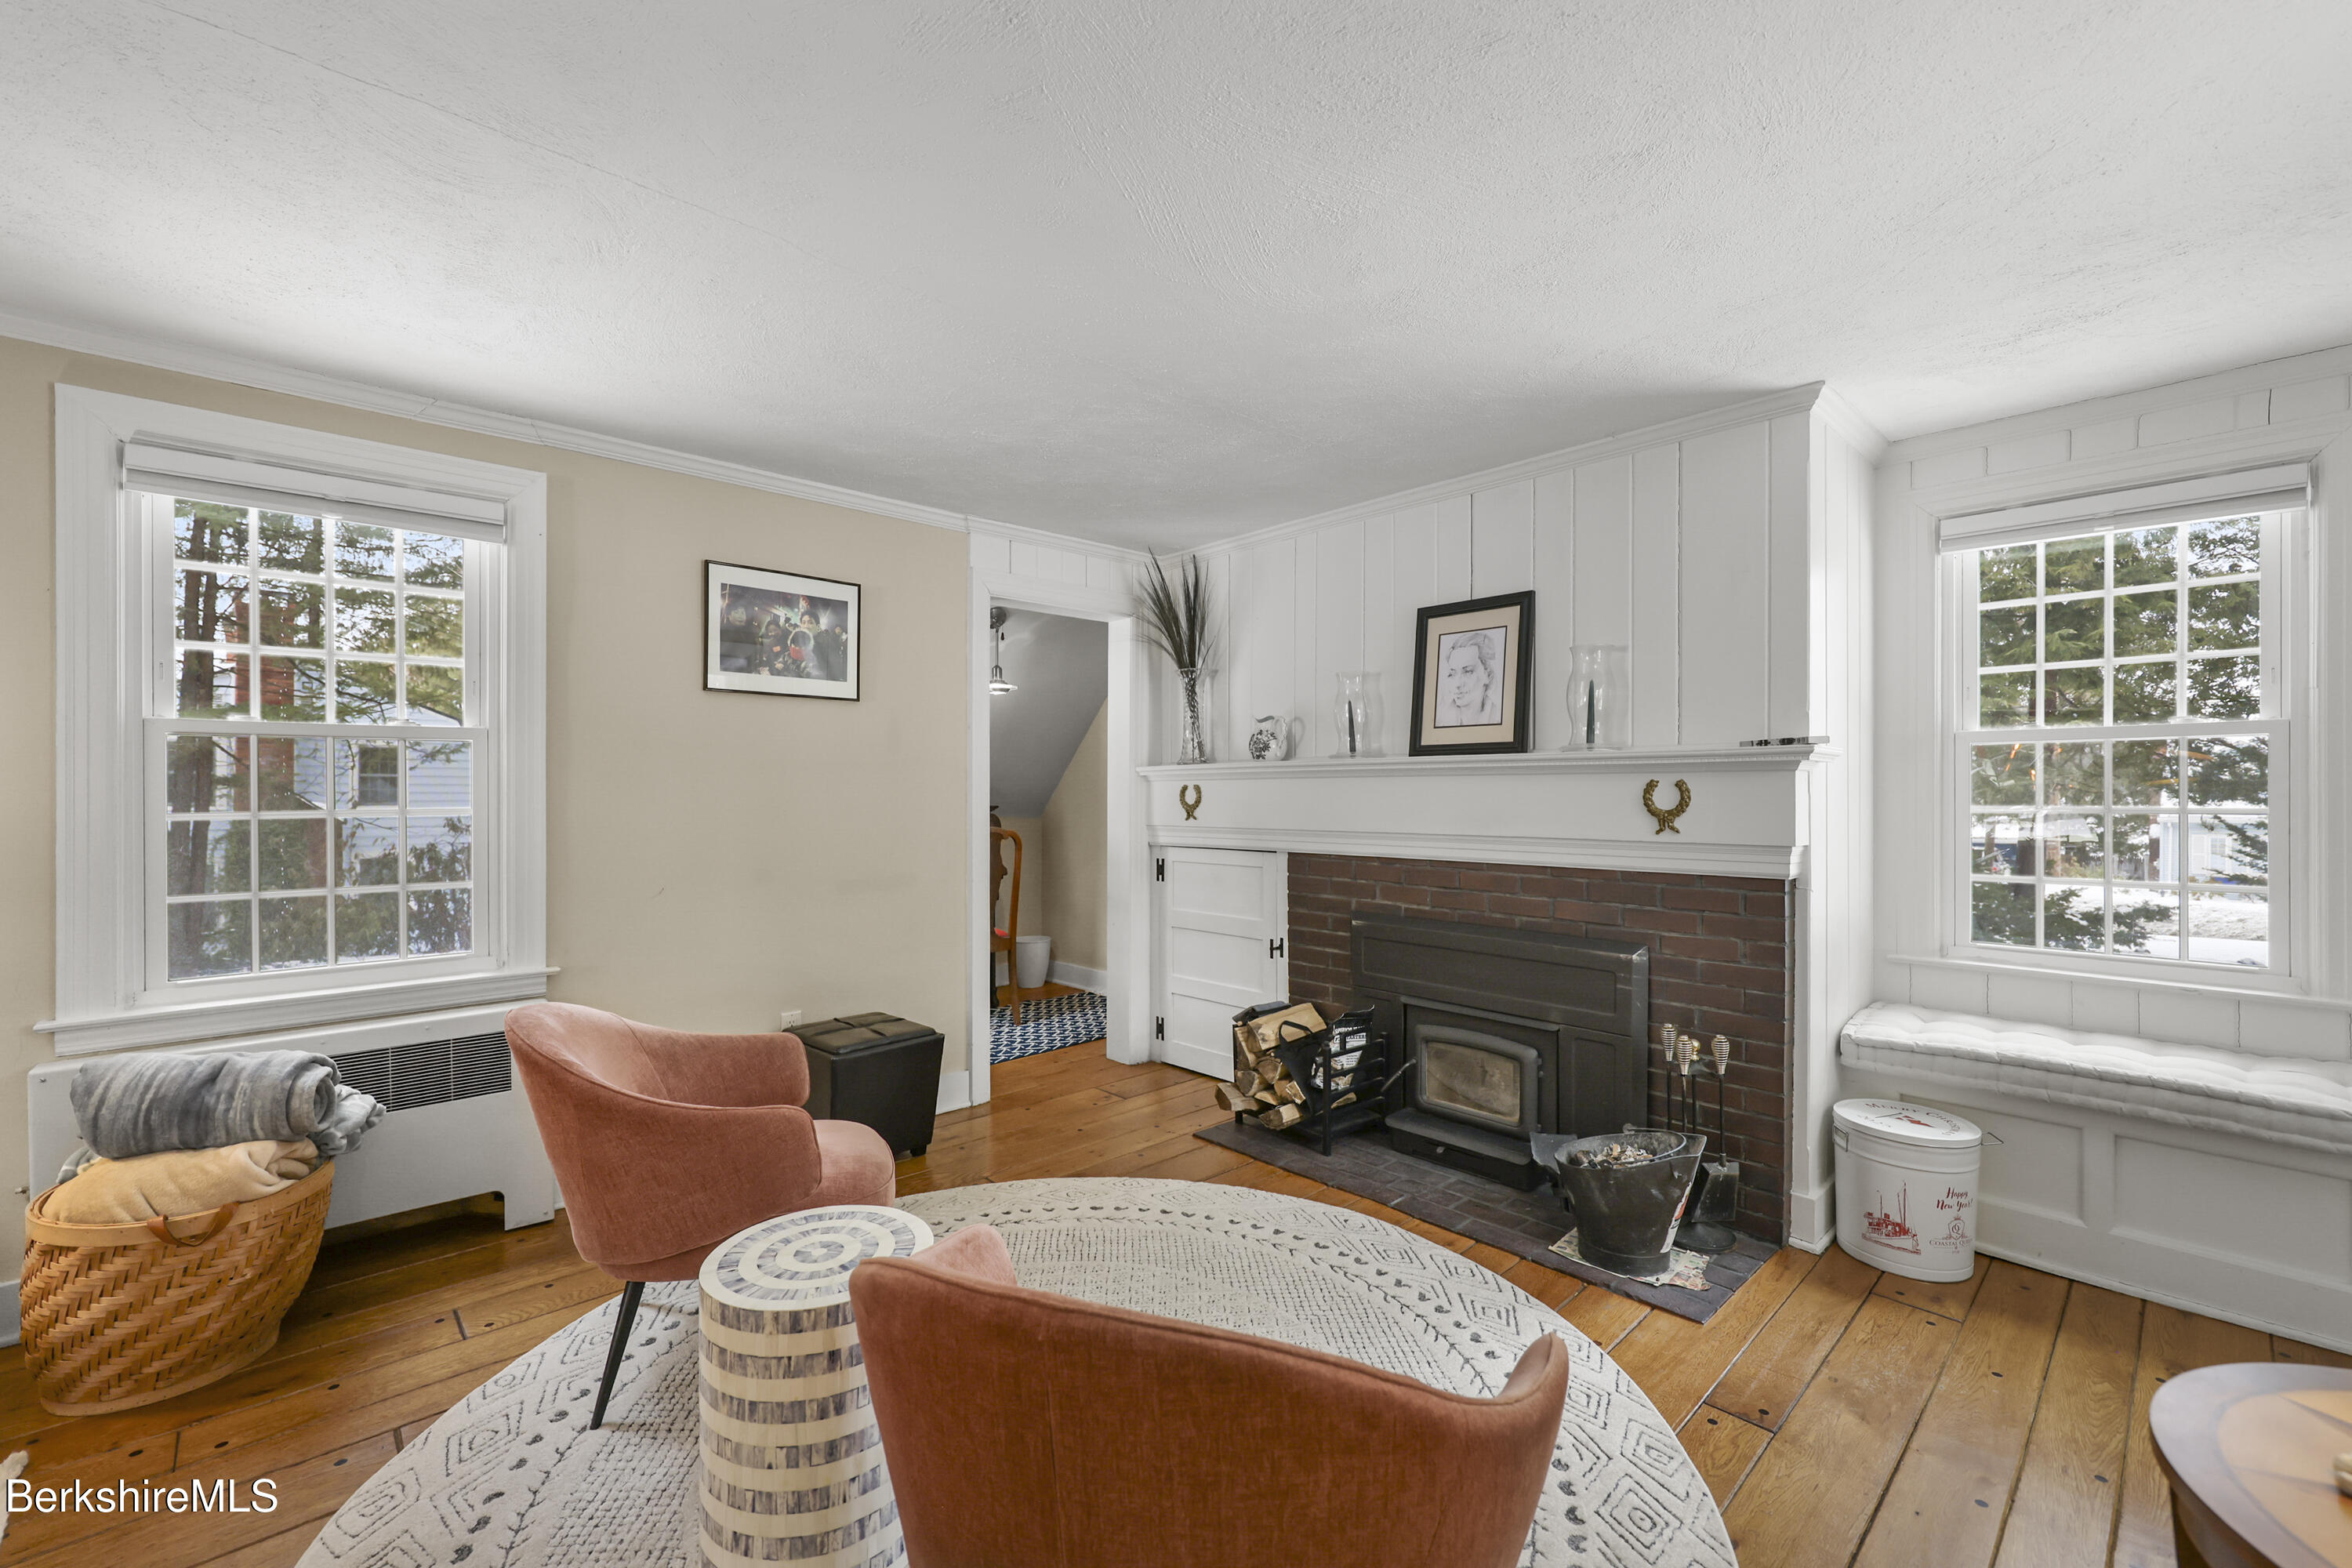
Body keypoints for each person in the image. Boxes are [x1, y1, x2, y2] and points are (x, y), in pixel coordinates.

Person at [1437, 627, 1504, 727]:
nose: (1457, 684)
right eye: (1452, 674)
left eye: (1467, 672)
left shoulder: (1499, 718)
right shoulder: (1440, 721)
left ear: (1487, 675)